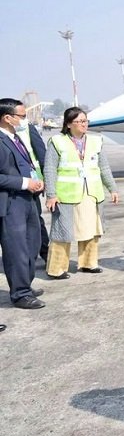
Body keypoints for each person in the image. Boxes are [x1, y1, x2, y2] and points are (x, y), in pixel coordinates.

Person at [43, 107, 119, 280]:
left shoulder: (96, 141)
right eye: (79, 121)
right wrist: (51, 194)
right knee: (62, 232)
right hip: (66, 195)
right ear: (69, 124)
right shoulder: (57, 142)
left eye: (85, 121)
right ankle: (56, 268)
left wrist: (112, 188)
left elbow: (104, 167)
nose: (84, 124)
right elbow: (49, 169)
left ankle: (88, 263)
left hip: (91, 193)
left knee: (91, 229)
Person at [0, 101, 45, 308]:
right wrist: (24, 183)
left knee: (32, 245)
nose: (25, 120)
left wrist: (36, 182)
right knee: (16, 249)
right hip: (11, 202)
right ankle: (20, 294)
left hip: (28, 198)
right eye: (22, 116)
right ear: (7, 118)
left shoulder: (15, 137)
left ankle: (24, 284)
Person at [7, 99, 49, 263]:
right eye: (22, 116)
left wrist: (45, 180)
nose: (24, 119)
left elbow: (41, 154)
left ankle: (46, 253)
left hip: (31, 184)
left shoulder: (26, 129)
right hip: (8, 186)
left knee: (35, 221)